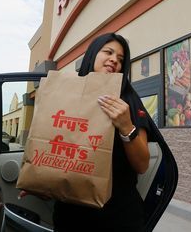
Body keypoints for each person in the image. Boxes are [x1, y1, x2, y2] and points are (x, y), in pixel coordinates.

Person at [53, 32, 152, 232]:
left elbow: (142, 165)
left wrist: (126, 126)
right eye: (108, 52)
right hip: (70, 212)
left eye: (121, 59)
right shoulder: (68, 93)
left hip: (117, 215)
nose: (114, 59)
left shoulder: (128, 99)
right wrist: (41, 179)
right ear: (92, 55)